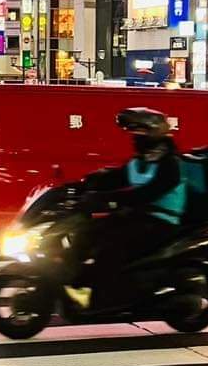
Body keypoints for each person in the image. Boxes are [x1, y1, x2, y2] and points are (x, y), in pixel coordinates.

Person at [77, 108, 187, 305]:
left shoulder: (170, 162)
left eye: (140, 133)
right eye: (133, 133)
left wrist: (113, 199)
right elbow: (118, 177)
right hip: (140, 214)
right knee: (87, 232)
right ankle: (82, 281)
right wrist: (86, 184)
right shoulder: (141, 159)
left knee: (112, 244)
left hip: (162, 220)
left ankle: (107, 296)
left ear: (154, 133)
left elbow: (149, 192)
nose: (135, 138)